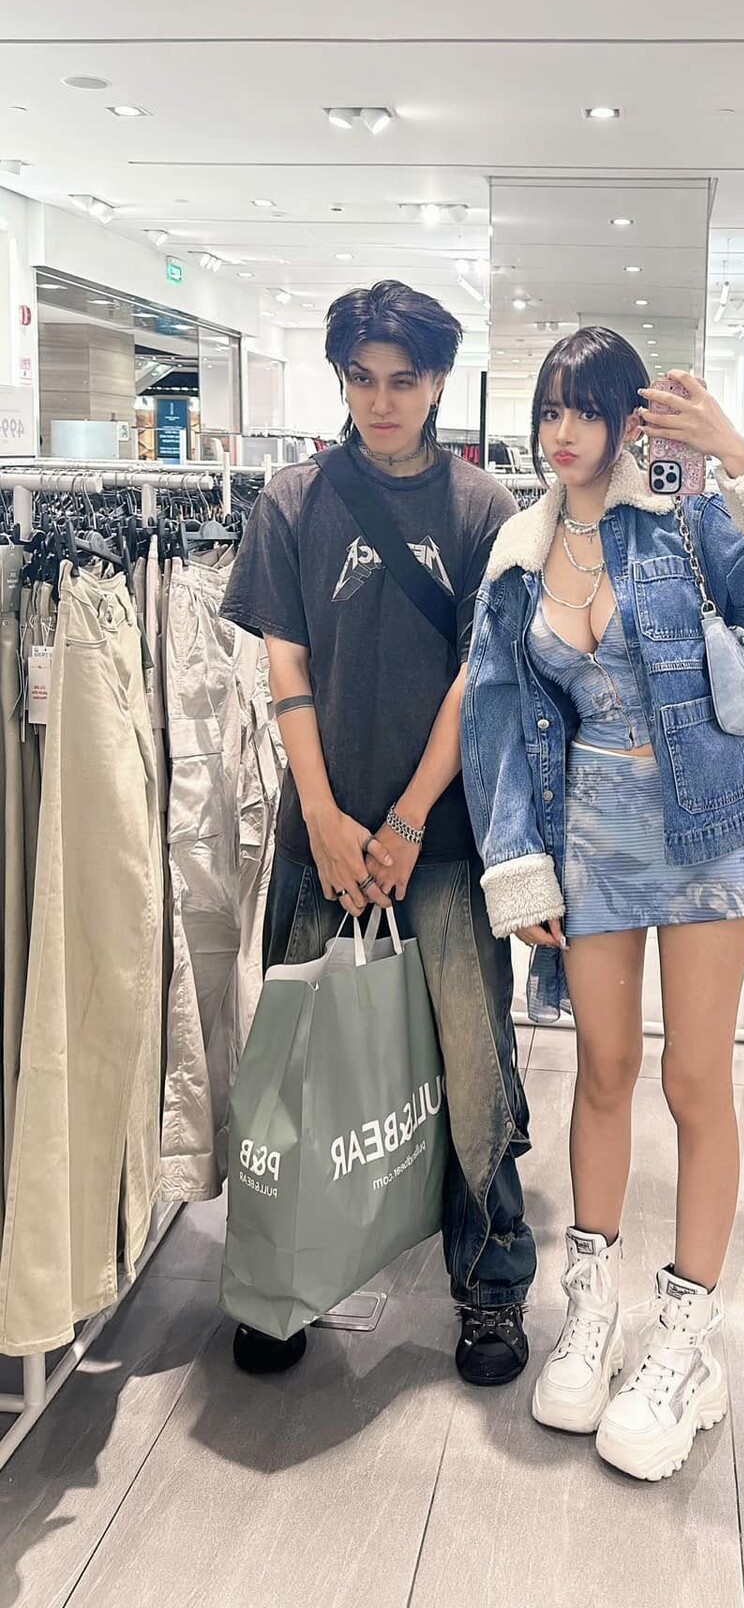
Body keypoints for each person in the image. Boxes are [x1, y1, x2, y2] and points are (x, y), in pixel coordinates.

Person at [461, 327, 744, 1481]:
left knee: (693, 1080)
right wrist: (517, 862)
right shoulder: (518, 557)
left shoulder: (680, 525)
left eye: (585, 409)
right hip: (592, 843)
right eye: (549, 410)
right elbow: (495, 719)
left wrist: (737, 452)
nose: (562, 432)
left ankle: (687, 1336)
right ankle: (593, 1308)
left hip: (708, 827)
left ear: (631, 422)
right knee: (604, 1071)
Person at [220, 280, 535, 1385]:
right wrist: (321, 812)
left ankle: (490, 1285)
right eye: (362, 379)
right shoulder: (292, 502)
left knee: (474, 1070)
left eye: (404, 380)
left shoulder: (485, 511)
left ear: (438, 381)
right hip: (322, 834)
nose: (382, 401)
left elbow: (476, 677)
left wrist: (403, 822)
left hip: (440, 843)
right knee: (301, 1062)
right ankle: (280, 1279)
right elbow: (287, 665)